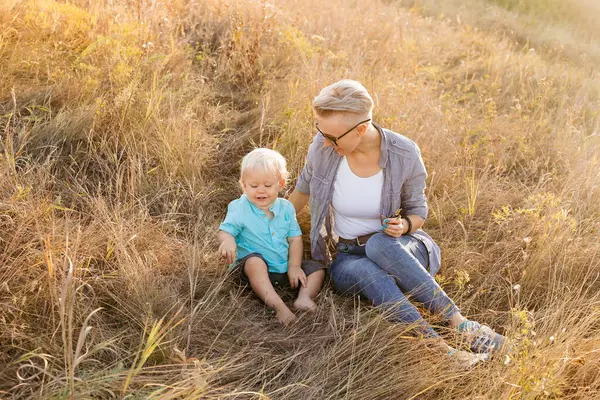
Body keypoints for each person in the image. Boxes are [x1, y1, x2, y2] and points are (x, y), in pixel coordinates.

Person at [288, 79, 506, 357]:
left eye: (333, 137)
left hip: (402, 249)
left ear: (361, 129)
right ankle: (442, 352)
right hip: (348, 258)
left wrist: (404, 225)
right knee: (368, 271)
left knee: (379, 244)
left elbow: (418, 212)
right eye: (321, 132)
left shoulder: (404, 153)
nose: (325, 142)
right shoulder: (322, 148)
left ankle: (461, 325)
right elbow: (300, 194)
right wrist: (260, 222)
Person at [218, 148, 326, 325]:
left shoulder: (286, 208)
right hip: (252, 271)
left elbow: (295, 239)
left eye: (268, 185)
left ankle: (304, 298)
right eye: (253, 186)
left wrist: (294, 266)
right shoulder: (239, 208)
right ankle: (279, 306)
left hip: (282, 269)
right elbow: (226, 231)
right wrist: (228, 241)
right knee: (255, 262)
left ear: (281, 184)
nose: (261, 191)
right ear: (243, 184)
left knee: (317, 269)